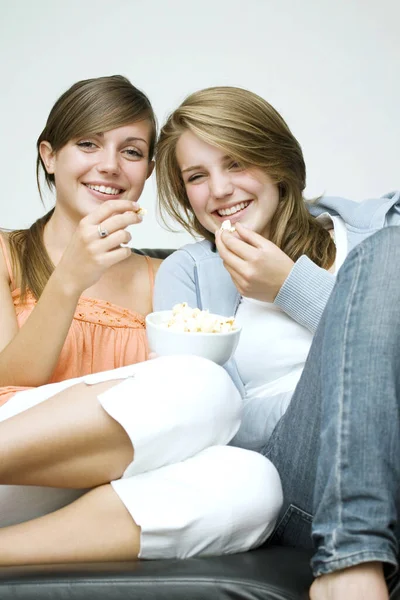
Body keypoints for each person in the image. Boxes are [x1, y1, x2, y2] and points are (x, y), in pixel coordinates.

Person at [0, 77, 282, 566]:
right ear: (49, 156)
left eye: (130, 151)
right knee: (202, 383)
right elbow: (9, 381)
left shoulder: (170, 278)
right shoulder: (6, 252)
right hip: (14, 468)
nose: (109, 165)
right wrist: (68, 281)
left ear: (149, 170)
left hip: (101, 492)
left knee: (255, 482)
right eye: (88, 144)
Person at [153, 85, 400, 600]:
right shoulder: (188, 274)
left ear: (276, 160)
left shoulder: (375, 231)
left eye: (236, 162)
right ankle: (349, 562)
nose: (219, 190)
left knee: (388, 252)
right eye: (197, 177)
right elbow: (200, 421)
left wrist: (293, 287)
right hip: (296, 479)